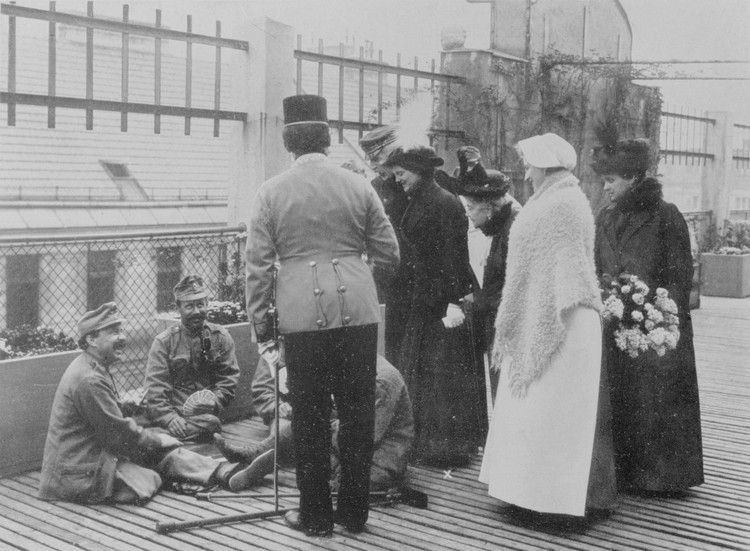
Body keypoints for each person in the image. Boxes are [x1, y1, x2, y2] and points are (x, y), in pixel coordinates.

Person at [245, 95, 400, 537]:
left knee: (309, 415)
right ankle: (354, 513)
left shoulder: (271, 191)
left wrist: (262, 325)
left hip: (300, 316)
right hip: (359, 310)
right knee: (357, 413)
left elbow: (256, 267)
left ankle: (314, 516)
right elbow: (389, 252)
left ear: (288, 142)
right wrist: (360, 281)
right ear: (327, 138)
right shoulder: (359, 185)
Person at [479, 133, 617, 518]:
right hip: (540, 312)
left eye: (528, 164)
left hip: (563, 317)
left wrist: (538, 311)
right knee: (533, 409)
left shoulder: (563, 204)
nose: (525, 173)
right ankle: (526, 494)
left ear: (544, 165)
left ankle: (551, 501)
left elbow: (563, 268)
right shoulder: (552, 200)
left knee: (554, 412)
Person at [38, 302, 259, 504]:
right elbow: (118, 433)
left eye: (121, 330)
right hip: (77, 473)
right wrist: (158, 440)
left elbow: (111, 419)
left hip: (97, 455)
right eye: (114, 332)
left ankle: (224, 472)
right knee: (150, 476)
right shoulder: (89, 378)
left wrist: (143, 421)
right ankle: (216, 473)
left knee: (158, 448)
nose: (122, 337)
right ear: (91, 339)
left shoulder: (91, 366)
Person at [592, 138, 704, 494]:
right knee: (623, 396)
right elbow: (596, 265)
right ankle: (625, 473)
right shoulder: (605, 216)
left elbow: (679, 275)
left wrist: (657, 319)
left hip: (657, 328)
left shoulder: (665, 215)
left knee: (657, 401)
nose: (605, 188)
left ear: (634, 178)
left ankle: (662, 478)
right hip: (615, 323)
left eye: (611, 180)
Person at [383, 143, 485, 468]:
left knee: (440, 375)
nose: (398, 180)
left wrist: (453, 301)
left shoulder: (445, 203)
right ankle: (425, 443)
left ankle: (445, 448)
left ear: (420, 172)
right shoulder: (416, 200)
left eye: (402, 174)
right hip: (420, 299)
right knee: (423, 372)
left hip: (439, 303)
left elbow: (456, 258)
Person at [215, 352, 415, 492]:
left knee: (339, 484)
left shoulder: (381, 381)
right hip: (352, 443)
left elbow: (363, 437)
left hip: (381, 457)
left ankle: (276, 460)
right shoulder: (358, 366)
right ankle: (257, 453)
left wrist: (321, 426)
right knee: (305, 424)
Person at [144, 275, 240, 442]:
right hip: (172, 412)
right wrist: (169, 418)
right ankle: (159, 437)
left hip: (203, 416)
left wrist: (215, 401)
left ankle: (153, 439)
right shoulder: (164, 342)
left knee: (212, 423)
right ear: (178, 308)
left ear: (207, 304)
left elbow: (228, 379)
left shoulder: (221, 337)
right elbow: (155, 388)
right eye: (189, 306)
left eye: (200, 305)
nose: (196, 312)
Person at [456, 155, 521, 405]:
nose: (469, 215)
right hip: (499, 323)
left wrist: (477, 300)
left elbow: (513, 285)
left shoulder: (514, 228)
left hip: (510, 329)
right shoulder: (500, 227)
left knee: (507, 396)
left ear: (490, 207)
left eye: (471, 208)